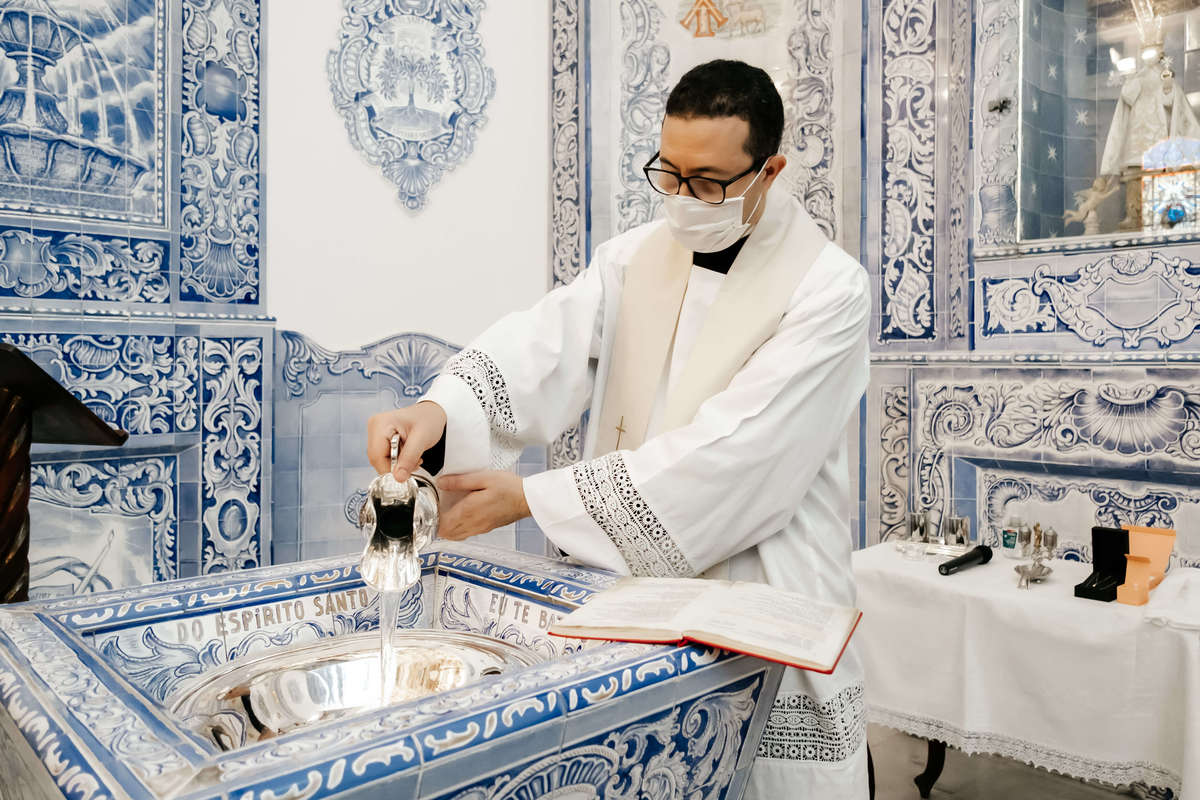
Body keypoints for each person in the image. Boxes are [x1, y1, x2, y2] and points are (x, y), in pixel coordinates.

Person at [367, 59, 871, 798]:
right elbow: (543, 346)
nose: (683, 200)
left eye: (708, 183)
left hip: (765, 593)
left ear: (769, 171)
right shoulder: (635, 259)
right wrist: (437, 413)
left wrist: (531, 500)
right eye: (669, 174)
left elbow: (738, 460)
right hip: (635, 594)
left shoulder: (828, 289)